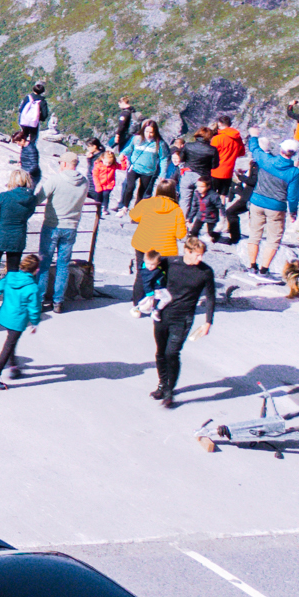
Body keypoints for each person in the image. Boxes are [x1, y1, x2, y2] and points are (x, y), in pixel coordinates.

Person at [148, 236, 217, 410]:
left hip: (183, 318)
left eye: (202, 255)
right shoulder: (170, 262)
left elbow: (210, 297)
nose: (200, 259)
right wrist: (148, 295)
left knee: (172, 353)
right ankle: (162, 385)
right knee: (160, 353)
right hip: (163, 314)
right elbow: (148, 263)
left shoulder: (205, 272)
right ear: (187, 251)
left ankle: (170, 391)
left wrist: (208, 321)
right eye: (197, 255)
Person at [0, 253, 43, 392]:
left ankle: (14, 367)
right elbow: (34, 309)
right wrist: (35, 323)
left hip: (5, 316)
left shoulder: (10, 277)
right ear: (36, 270)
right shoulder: (33, 288)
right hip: (17, 321)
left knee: (11, 342)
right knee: (8, 346)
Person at [244, 138, 299, 276]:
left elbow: (255, 149)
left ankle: (252, 265)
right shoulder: (294, 172)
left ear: (281, 149)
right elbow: (293, 196)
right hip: (276, 207)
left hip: (257, 201)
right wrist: (293, 212)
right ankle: (264, 270)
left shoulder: (267, 160)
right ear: (293, 154)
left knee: (254, 235)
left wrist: (253, 137)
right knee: (273, 239)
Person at [36, 156, 88, 313]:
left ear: (64, 163)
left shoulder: (55, 180)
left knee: (44, 264)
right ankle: (58, 301)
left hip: (52, 225)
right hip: (71, 226)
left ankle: (38, 300)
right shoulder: (84, 182)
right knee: (63, 265)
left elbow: (38, 198)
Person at [129, 181, 186, 314]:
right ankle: (157, 307)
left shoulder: (146, 203)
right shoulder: (177, 210)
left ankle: (138, 305)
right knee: (161, 277)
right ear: (174, 192)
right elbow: (181, 234)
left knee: (141, 274)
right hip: (165, 249)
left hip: (143, 244)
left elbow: (133, 216)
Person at [0, 169, 34, 289]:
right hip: (17, 238)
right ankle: (10, 302)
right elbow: (28, 215)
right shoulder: (31, 199)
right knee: (13, 271)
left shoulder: (4, 196)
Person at [122, 121, 166, 208]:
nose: (148, 134)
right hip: (134, 167)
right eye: (146, 131)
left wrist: (162, 173)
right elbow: (129, 148)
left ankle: (136, 212)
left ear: (155, 132)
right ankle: (125, 207)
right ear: (143, 130)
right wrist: (122, 154)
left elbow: (163, 158)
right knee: (130, 187)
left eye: (151, 132)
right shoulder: (136, 139)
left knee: (141, 192)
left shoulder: (159, 143)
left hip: (148, 171)